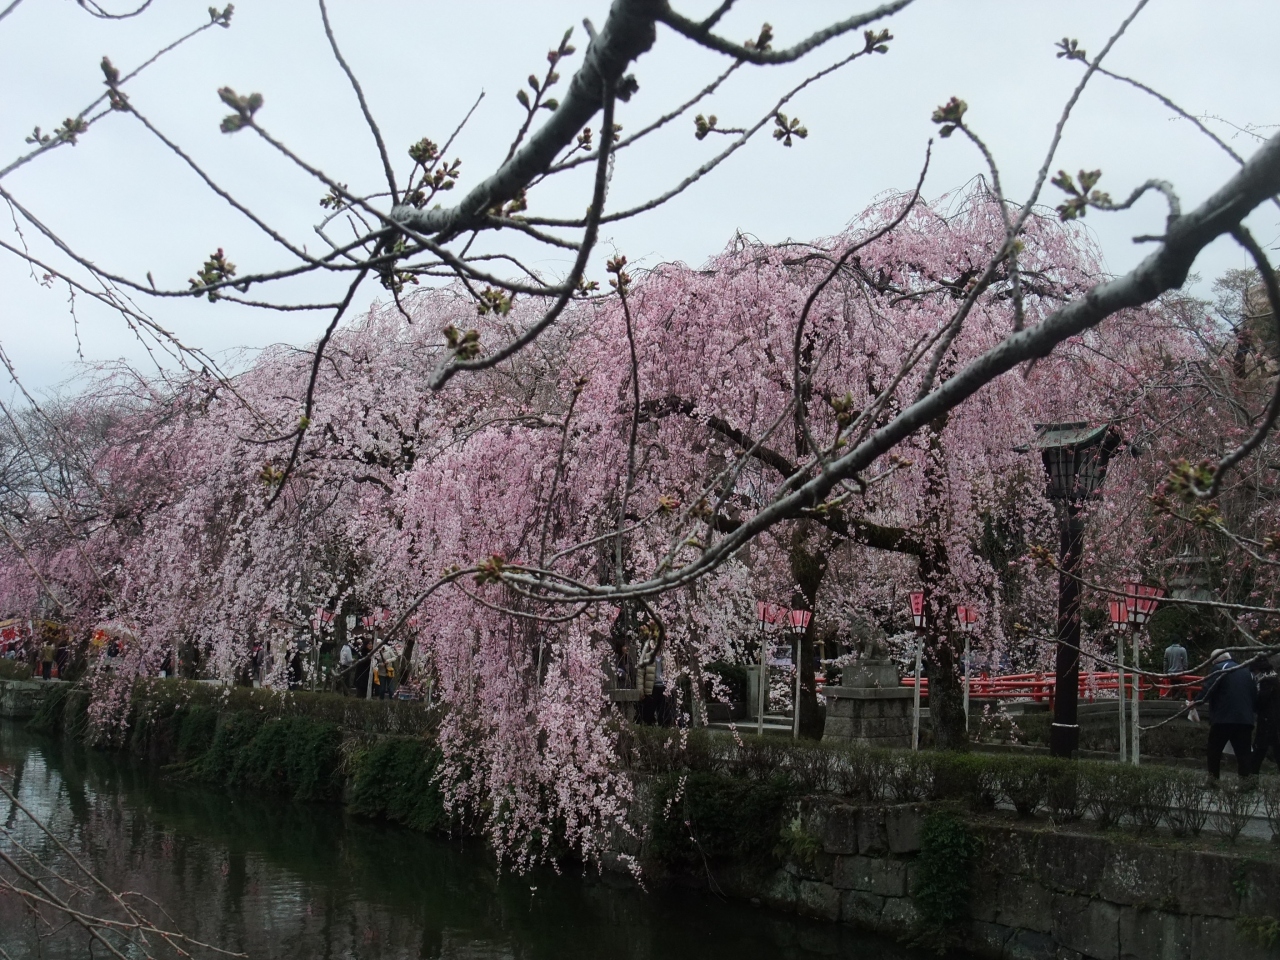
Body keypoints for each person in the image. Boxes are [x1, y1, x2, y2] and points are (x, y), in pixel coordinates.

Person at [1192, 649, 1257, 779]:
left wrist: (1195, 702)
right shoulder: (1246, 671)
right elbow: (1254, 694)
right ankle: (1246, 783)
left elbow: (1209, 688)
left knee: (1214, 751)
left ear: (1215, 660)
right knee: (1243, 754)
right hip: (1244, 719)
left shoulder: (1220, 669)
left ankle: (1213, 780)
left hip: (1223, 717)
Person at [1250, 655, 1280, 774]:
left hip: (1267, 720)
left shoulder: (1266, 681)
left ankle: (1251, 778)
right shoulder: (1274, 678)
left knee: (1259, 751)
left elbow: (1262, 700)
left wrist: (1255, 704)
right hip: (1274, 720)